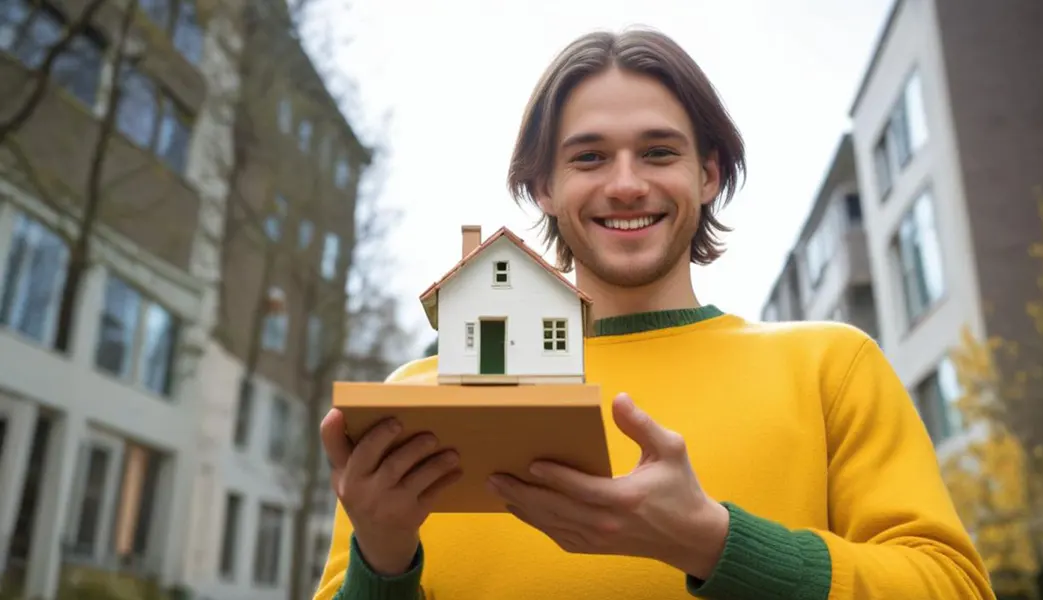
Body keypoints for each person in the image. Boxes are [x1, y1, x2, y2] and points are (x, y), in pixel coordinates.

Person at [313, 27, 995, 600]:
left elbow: (954, 585)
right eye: (590, 157)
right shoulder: (417, 408)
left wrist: (712, 541)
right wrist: (383, 559)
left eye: (658, 152)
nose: (626, 183)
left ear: (709, 174)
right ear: (544, 187)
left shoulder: (831, 369)